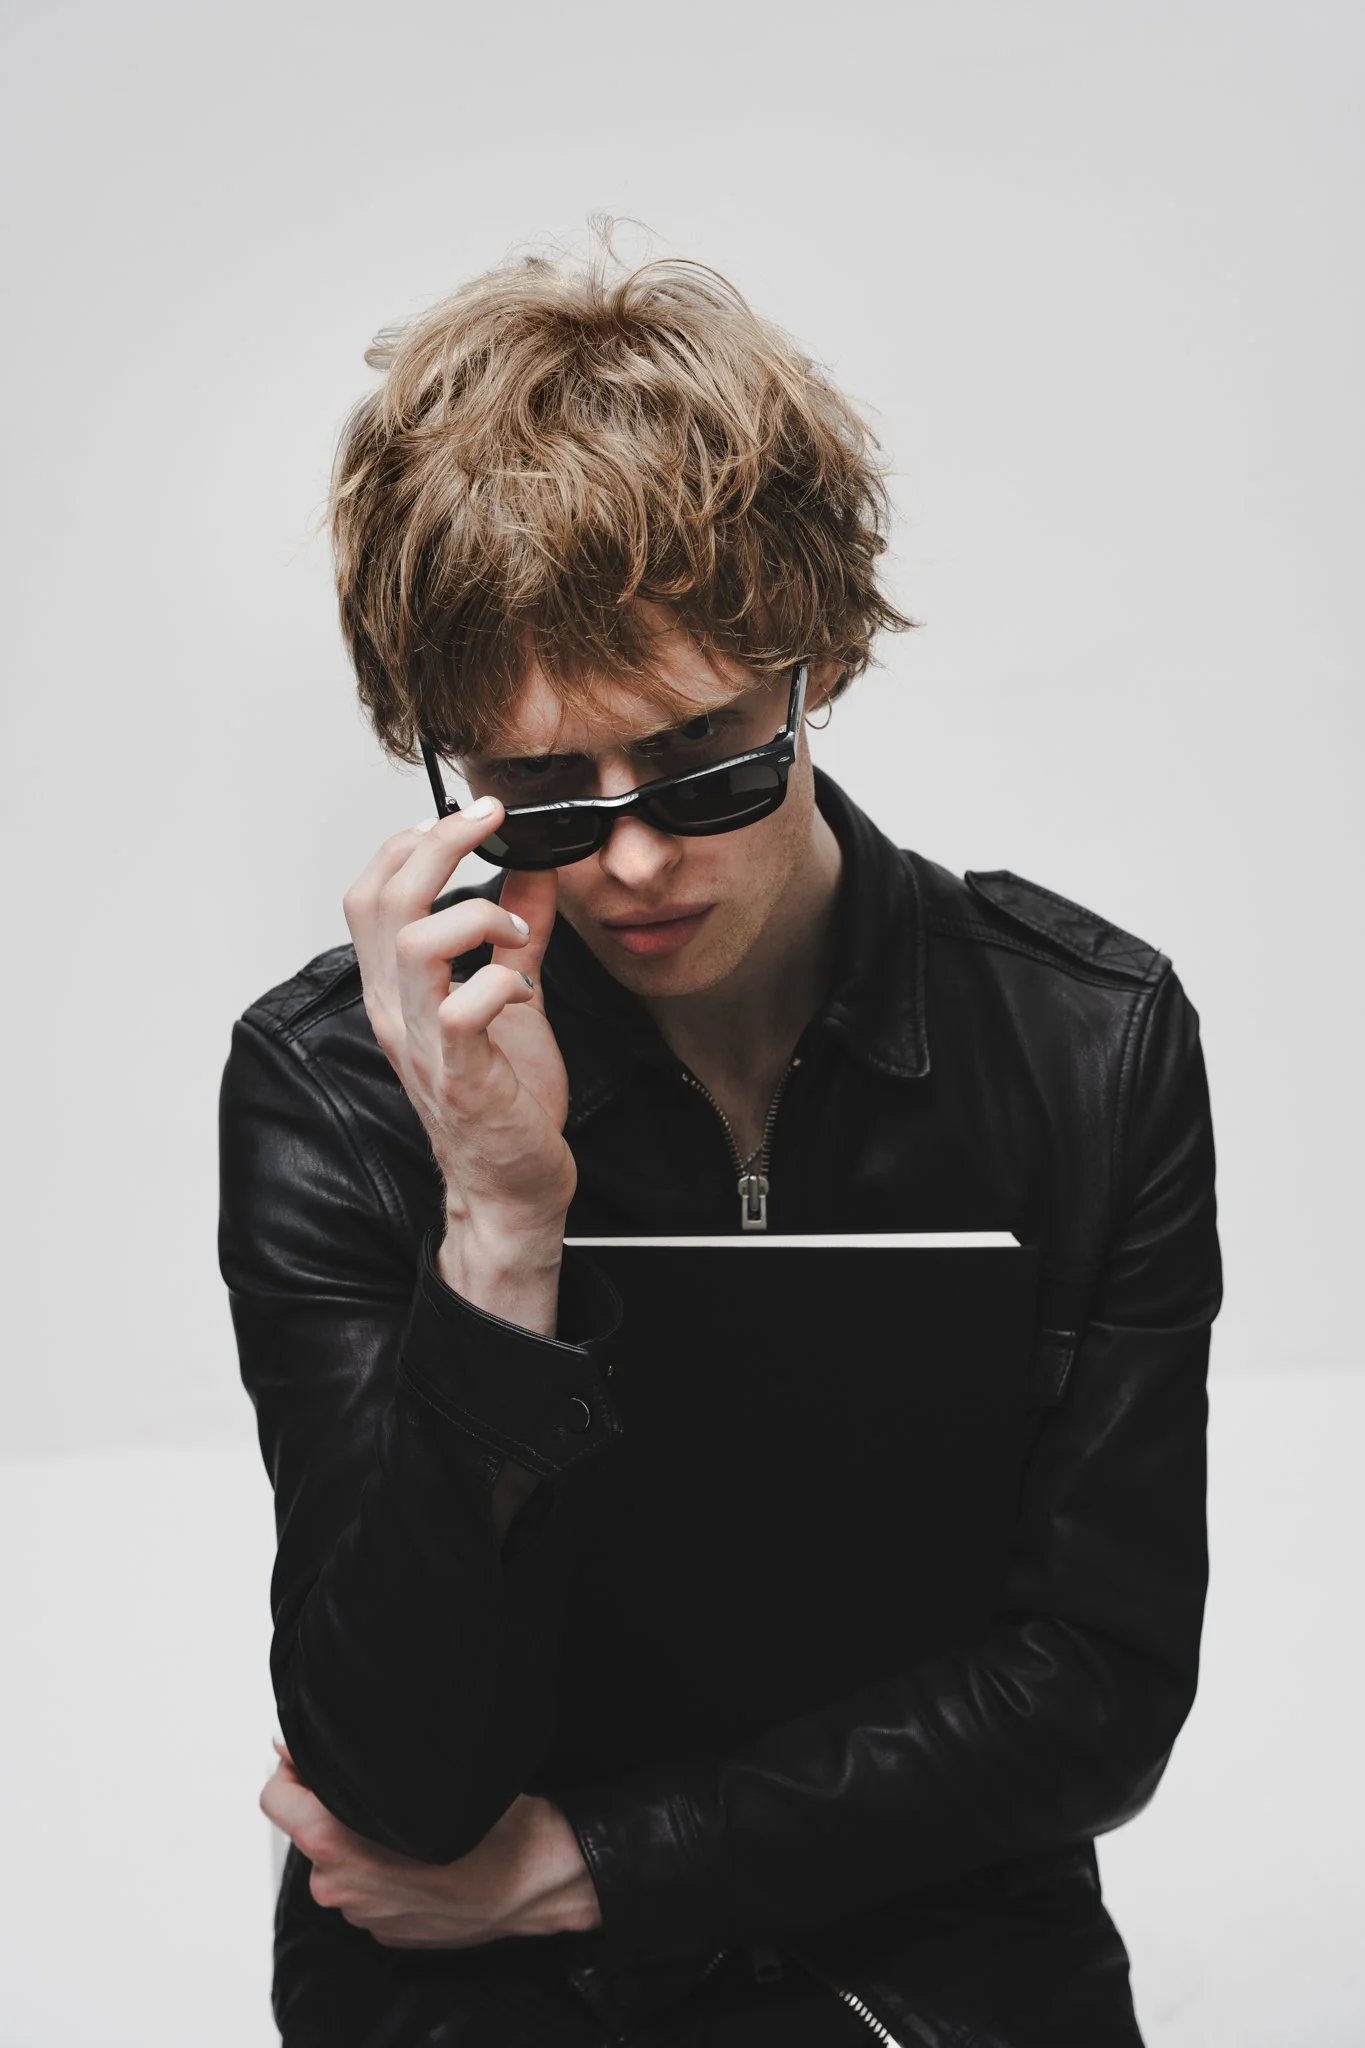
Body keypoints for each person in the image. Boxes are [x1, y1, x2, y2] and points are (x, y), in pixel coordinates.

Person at [218, 243, 1222, 2048]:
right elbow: (394, 1779)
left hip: (935, 1935)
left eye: (703, 761)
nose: (631, 861)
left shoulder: (1088, 1045)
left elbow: (1103, 1686)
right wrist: (498, 1229)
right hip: (471, 1972)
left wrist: (604, 1861)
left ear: (818, 665)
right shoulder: (337, 1085)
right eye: (540, 791)